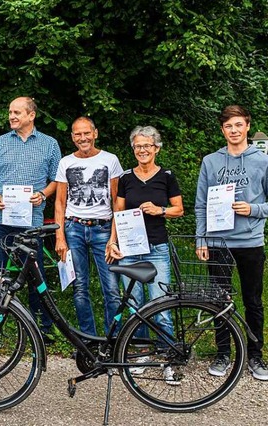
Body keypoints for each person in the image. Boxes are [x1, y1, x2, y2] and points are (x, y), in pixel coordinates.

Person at [195, 105, 268, 381]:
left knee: (253, 301)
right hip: (218, 241)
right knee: (219, 301)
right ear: (222, 130)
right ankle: (223, 354)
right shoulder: (210, 161)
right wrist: (202, 238)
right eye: (228, 126)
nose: (234, 130)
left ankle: (255, 355)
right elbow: (201, 204)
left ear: (247, 126)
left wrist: (254, 210)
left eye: (238, 125)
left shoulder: (262, 161)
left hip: (250, 241)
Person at [106, 126, 183, 383]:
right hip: (129, 249)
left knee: (160, 305)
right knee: (134, 306)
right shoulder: (126, 178)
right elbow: (118, 213)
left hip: (157, 248)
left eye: (147, 146)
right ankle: (141, 353)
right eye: (138, 146)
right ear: (133, 149)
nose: (142, 150)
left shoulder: (167, 176)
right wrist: (112, 242)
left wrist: (160, 210)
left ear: (156, 148)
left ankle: (169, 358)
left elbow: (179, 209)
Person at [0, 97, 61, 337]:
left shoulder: (50, 144)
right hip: (0, 218)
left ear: (31, 115)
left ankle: (42, 327)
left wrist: (44, 194)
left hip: (31, 221)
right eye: (10, 112)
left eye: (17, 112)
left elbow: (58, 178)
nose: (12, 116)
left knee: (36, 273)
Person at [54, 116, 123, 336]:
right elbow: (60, 202)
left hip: (103, 229)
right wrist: (59, 237)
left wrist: (114, 237)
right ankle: (89, 339)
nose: (82, 138)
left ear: (95, 133)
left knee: (111, 289)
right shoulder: (66, 162)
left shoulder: (110, 160)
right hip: (73, 228)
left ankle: (112, 340)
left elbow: (117, 201)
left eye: (86, 133)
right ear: (72, 137)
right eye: (77, 134)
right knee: (79, 287)